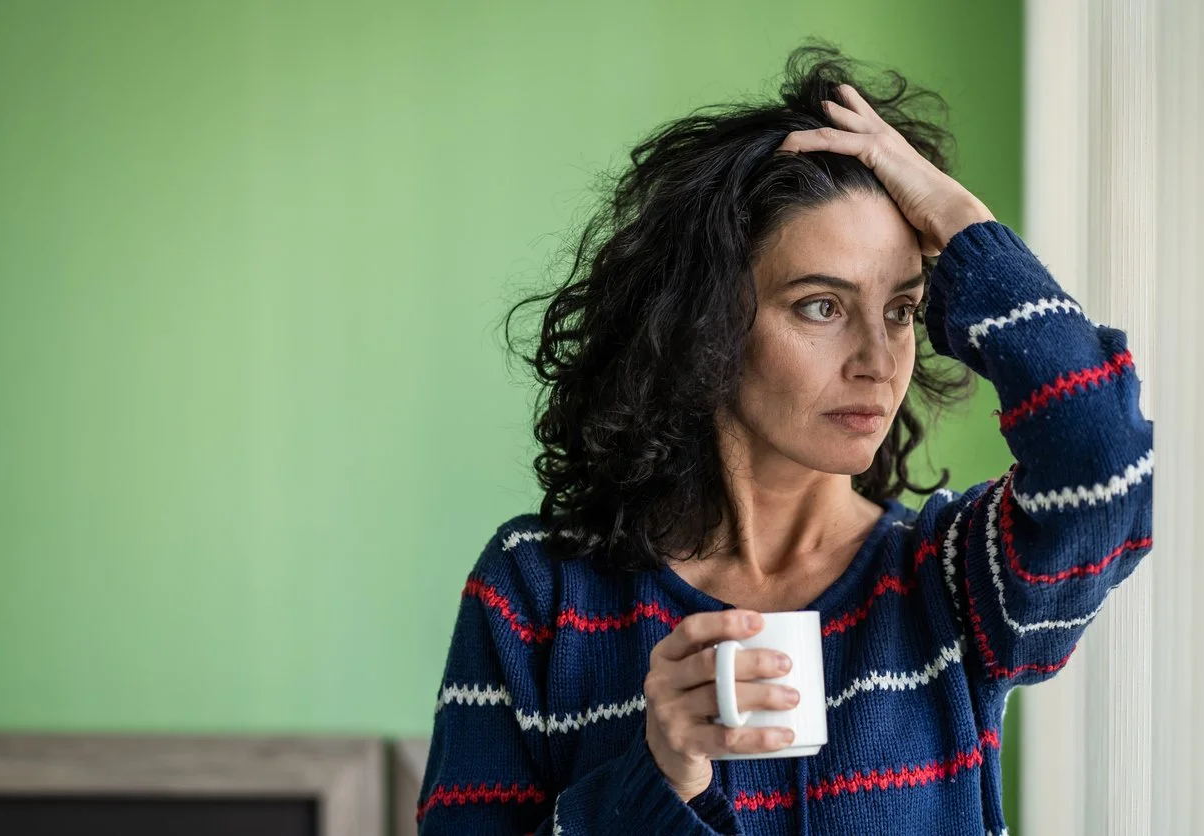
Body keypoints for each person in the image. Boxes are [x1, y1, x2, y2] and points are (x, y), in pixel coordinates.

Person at [415, 43, 1153, 835]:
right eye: (821, 307)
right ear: (704, 324)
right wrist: (654, 779)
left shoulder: (949, 581)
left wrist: (964, 225)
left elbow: (1104, 460)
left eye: (901, 310)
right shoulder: (538, 591)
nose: (878, 360)